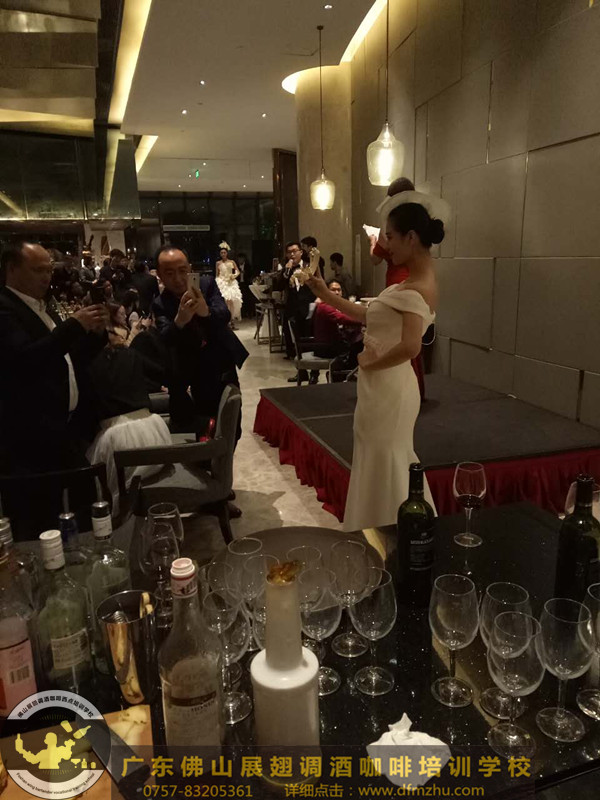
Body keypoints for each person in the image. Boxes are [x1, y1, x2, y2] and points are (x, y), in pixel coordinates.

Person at [307, 197, 443, 530]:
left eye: (390, 237)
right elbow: (367, 314)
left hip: (390, 389)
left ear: (411, 237)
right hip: (382, 386)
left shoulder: (418, 288)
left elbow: (411, 346)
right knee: (376, 457)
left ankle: (396, 532)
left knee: (388, 459)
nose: (386, 245)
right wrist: (325, 293)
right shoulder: (408, 284)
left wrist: (370, 363)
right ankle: (377, 531)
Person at [0, 242, 107, 472]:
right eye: (38, 270)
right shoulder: (5, 308)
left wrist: (95, 334)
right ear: (11, 269)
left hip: (66, 430)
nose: (46, 277)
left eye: (49, 270)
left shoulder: (43, 308)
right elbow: (25, 361)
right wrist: (74, 325)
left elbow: (69, 358)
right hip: (30, 437)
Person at [152, 245, 248, 434]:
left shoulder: (207, 285)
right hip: (189, 376)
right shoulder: (160, 304)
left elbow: (224, 315)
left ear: (190, 269)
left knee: (231, 427)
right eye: (169, 273)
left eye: (182, 270)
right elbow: (166, 338)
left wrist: (206, 311)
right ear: (160, 276)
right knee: (199, 430)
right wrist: (180, 320)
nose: (178, 278)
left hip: (221, 367)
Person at [85, 327, 171, 510]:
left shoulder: (86, 364)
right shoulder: (130, 354)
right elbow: (159, 373)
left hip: (119, 440)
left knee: (103, 490)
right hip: (153, 429)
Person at [215, 243, 242, 327]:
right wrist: (218, 282)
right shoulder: (218, 263)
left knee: (232, 301)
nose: (223, 254)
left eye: (224, 252)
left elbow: (238, 271)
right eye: (221, 253)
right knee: (225, 301)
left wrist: (233, 276)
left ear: (227, 253)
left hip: (231, 283)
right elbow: (217, 274)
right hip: (222, 282)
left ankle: (232, 319)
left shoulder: (231, 262)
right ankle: (226, 319)